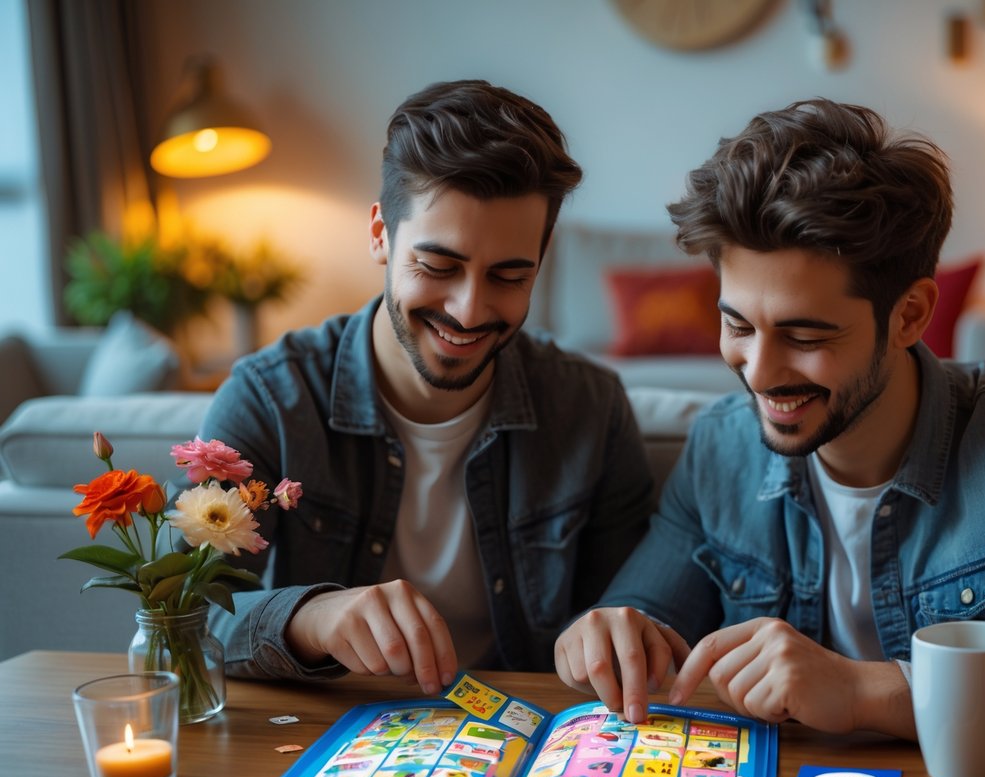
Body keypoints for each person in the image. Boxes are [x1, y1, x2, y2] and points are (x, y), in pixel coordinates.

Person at [554, 98, 985, 740]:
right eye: (736, 325)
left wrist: (868, 690)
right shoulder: (719, 446)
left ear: (909, 316)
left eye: (804, 336)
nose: (756, 371)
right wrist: (609, 634)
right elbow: (644, 618)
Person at [199, 80, 654, 691]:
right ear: (380, 236)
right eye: (438, 268)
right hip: (328, 734)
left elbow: (628, 604)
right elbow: (184, 611)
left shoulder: (592, 408)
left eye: (509, 277)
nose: (469, 311)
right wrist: (311, 619)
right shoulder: (271, 399)